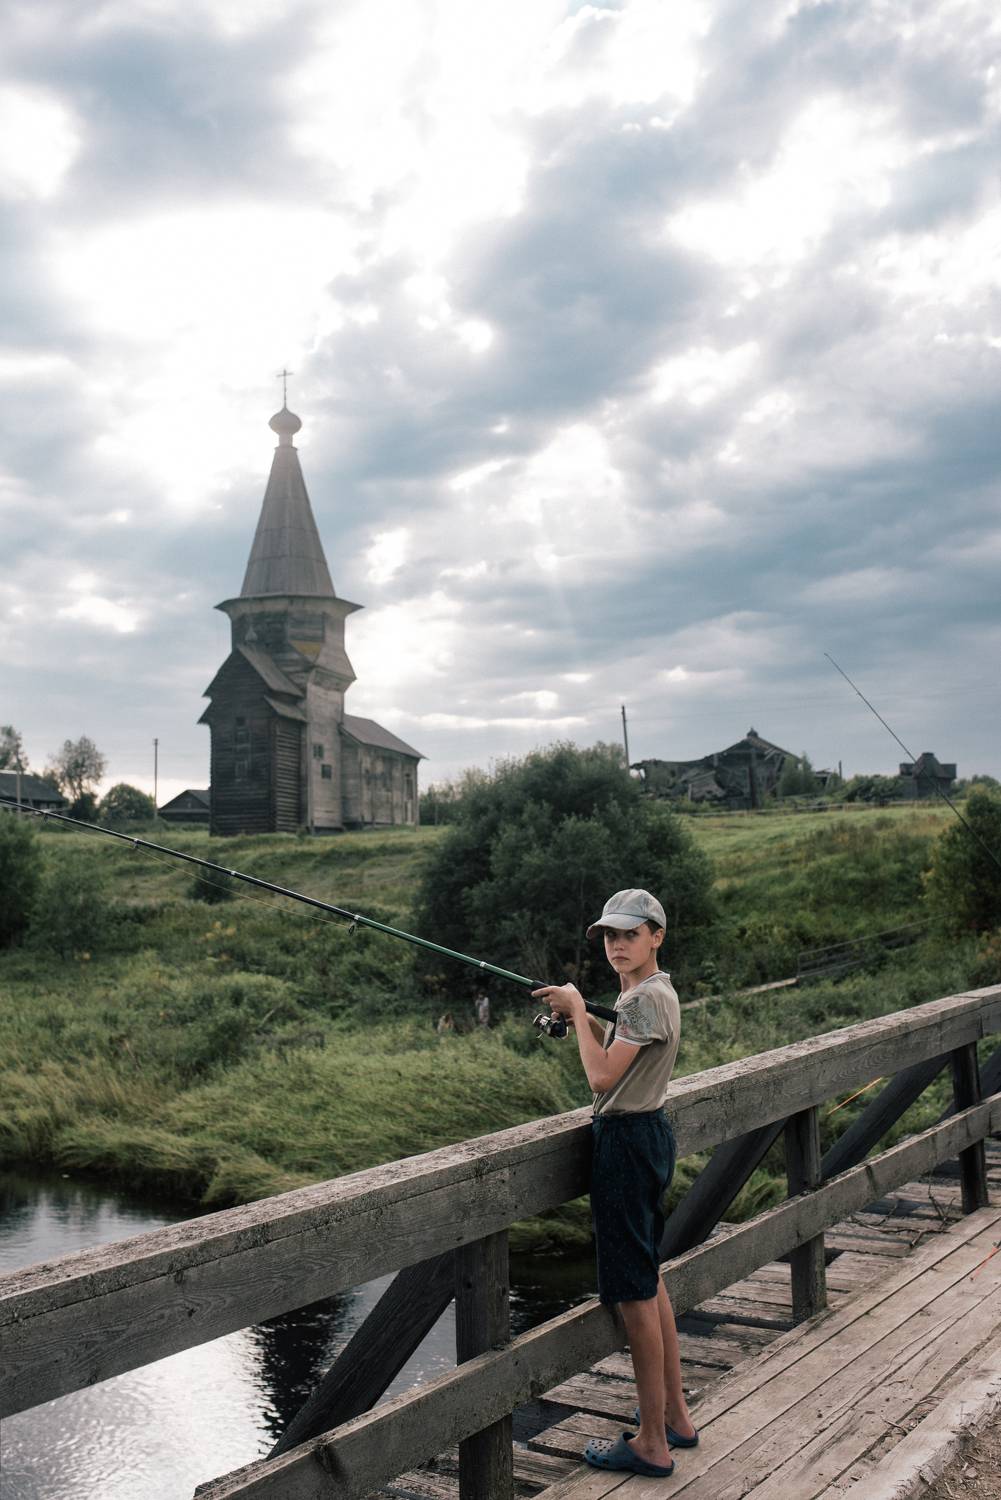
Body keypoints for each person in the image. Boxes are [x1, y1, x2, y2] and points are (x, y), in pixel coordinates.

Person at [532, 888, 697, 1479]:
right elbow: (626, 1050)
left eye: (630, 934)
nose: (617, 944)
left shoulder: (643, 998)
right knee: (648, 1278)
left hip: (626, 1145)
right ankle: (675, 1417)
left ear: (657, 936)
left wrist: (579, 1013)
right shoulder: (649, 994)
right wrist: (585, 1014)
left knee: (634, 1294)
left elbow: (602, 1078)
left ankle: (651, 1443)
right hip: (645, 1136)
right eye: (609, 935)